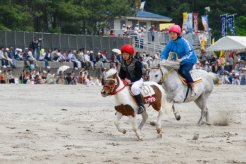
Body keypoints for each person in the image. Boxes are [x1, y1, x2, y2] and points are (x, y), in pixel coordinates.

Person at [160, 24, 198, 96]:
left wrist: (182, 59)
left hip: (189, 60)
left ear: (178, 34)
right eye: (170, 34)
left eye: (174, 33)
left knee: (184, 71)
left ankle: (193, 87)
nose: (172, 35)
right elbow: (165, 53)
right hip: (177, 62)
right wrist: (162, 59)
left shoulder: (184, 42)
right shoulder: (170, 43)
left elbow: (190, 52)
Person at [119, 44, 145, 114]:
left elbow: (139, 75)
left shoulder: (136, 62)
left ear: (130, 55)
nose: (124, 56)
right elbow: (121, 75)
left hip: (137, 80)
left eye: (126, 54)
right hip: (128, 81)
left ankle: (141, 105)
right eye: (123, 54)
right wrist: (122, 80)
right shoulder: (123, 63)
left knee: (134, 88)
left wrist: (131, 80)